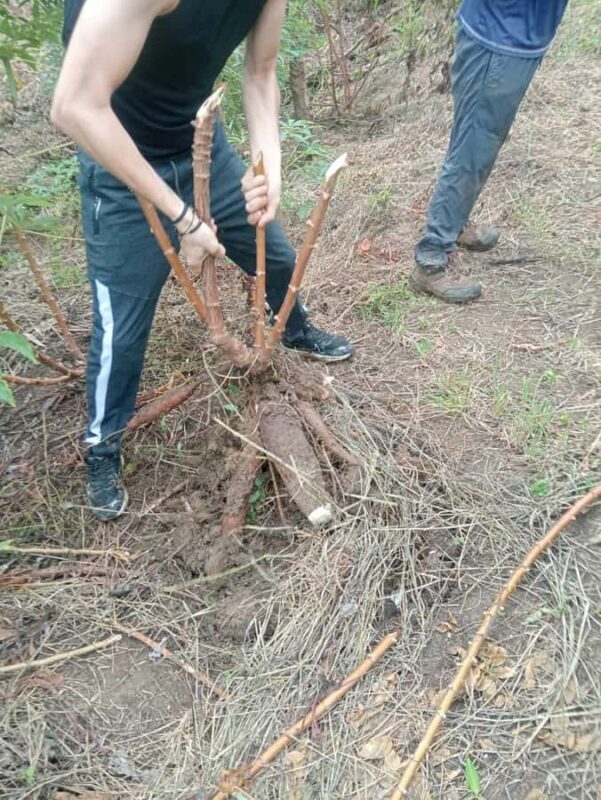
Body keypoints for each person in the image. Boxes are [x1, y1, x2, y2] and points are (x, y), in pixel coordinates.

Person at [51, 0, 354, 521]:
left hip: (198, 145)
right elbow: (74, 106)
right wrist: (184, 220)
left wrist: (269, 169)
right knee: (121, 325)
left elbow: (260, 73)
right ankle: (102, 447)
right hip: (120, 160)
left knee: (276, 254)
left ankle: (296, 329)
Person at [412, 0, 569, 303]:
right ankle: (430, 261)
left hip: (516, 36)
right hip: (498, 37)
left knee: (480, 144)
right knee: (472, 149)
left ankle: (454, 224)